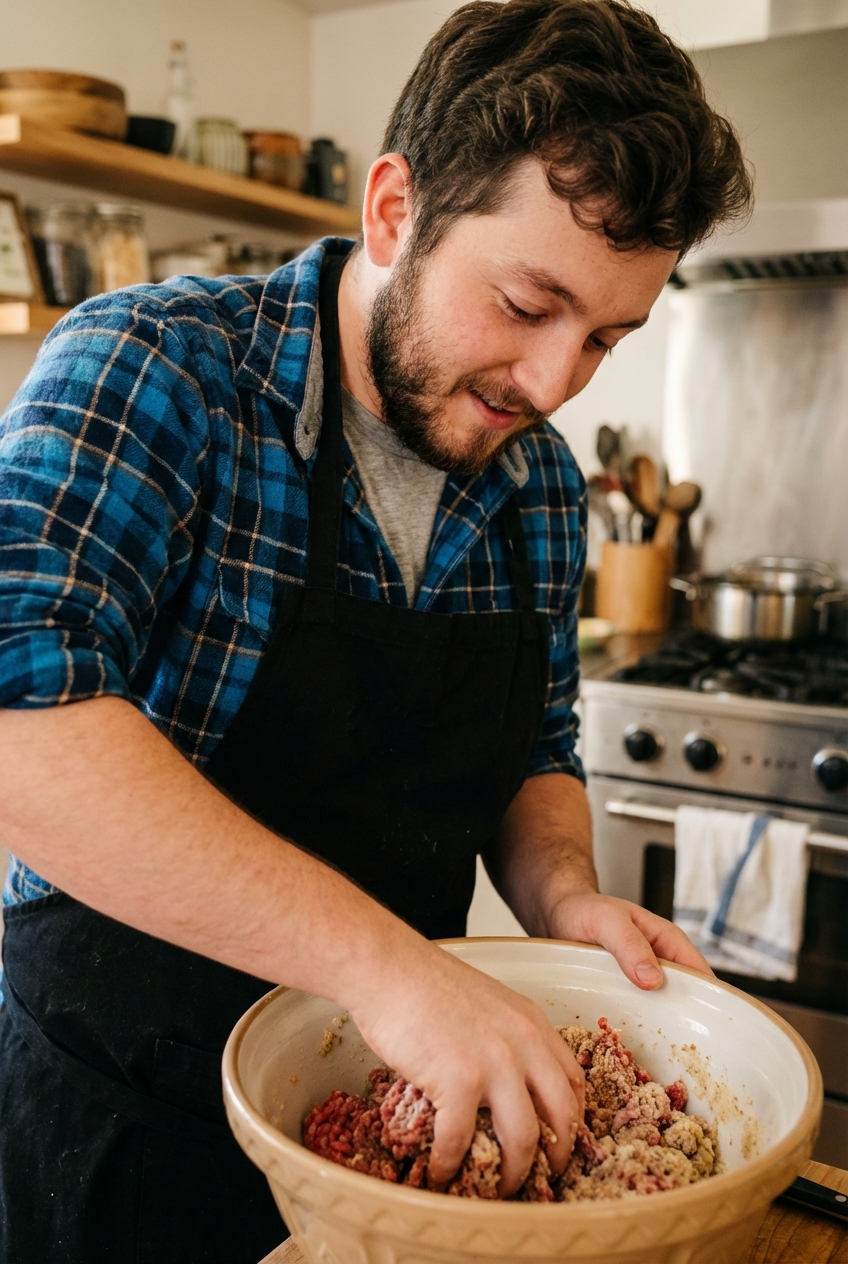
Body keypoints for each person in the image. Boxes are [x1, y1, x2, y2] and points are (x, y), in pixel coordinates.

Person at [0, 1, 751, 1259]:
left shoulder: (544, 490)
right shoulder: (158, 371)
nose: (553, 382)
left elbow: (536, 747)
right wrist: (392, 971)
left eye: (607, 338)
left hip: (393, 1138)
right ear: (394, 210)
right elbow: (21, 729)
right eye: (527, 302)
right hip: (110, 1117)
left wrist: (563, 895)